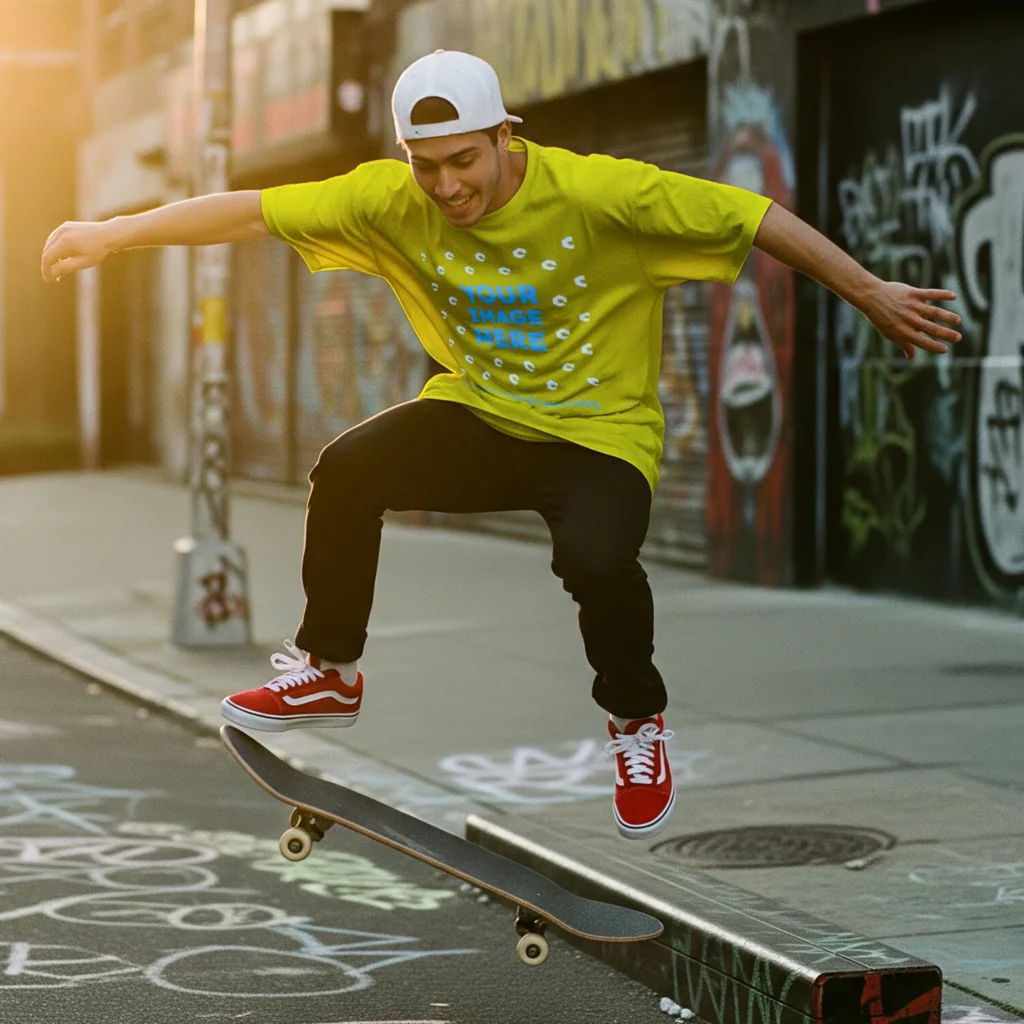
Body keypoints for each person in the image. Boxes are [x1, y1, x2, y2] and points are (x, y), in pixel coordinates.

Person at [41, 50, 961, 840]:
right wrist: (113, 233)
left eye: (465, 162)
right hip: (482, 414)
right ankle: (329, 671)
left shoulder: (601, 193)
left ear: (505, 136)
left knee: (597, 559)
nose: (448, 188)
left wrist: (867, 289)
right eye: (426, 166)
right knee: (348, 469)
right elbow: (248, 212)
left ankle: (636, 724)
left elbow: (751, 217)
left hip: (600, 435)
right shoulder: (385, 198)